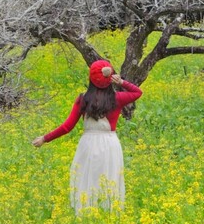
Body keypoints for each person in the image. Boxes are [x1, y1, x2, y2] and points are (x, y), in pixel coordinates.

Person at [32, 60, 142, 213]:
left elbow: (67, 127)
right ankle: (108, 212)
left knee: (87, 177)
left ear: (91, 78)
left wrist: (45, 138)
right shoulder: (117, 98)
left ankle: (86, 212)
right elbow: (137, 93)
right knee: (109, 178)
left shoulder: (83, 99)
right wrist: (122, 81)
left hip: (88, 143)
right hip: (110, 143)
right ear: (109, 77)